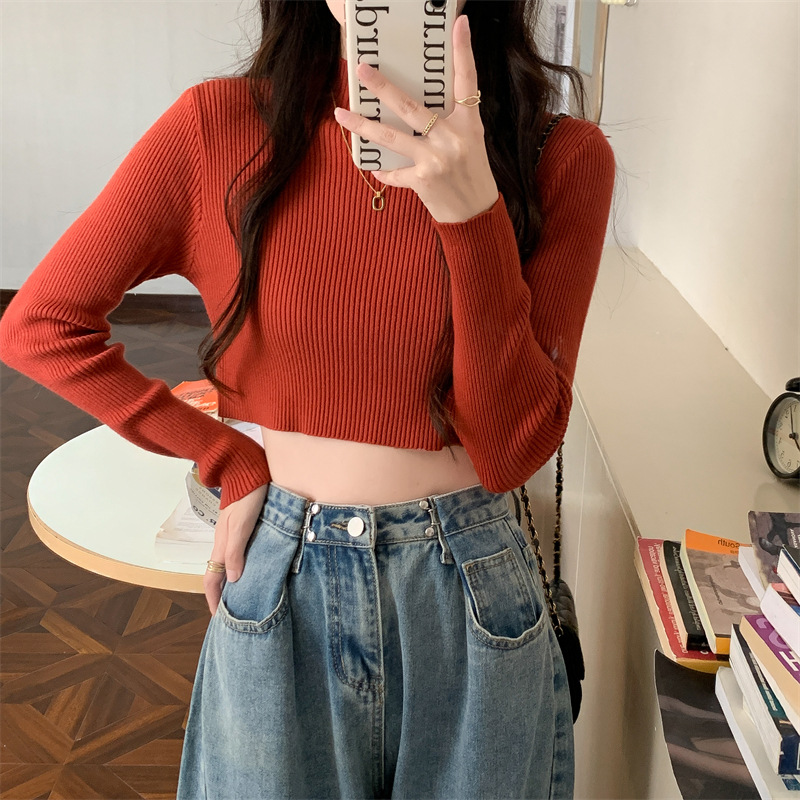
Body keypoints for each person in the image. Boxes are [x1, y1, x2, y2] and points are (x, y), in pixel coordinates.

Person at [0, 0, 616, 797]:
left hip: (473, 588)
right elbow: (41, 326)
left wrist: (473, 217)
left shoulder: (561, 156)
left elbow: (509, 453)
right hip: (284, 572)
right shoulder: (218, 128)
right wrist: (227, 457)